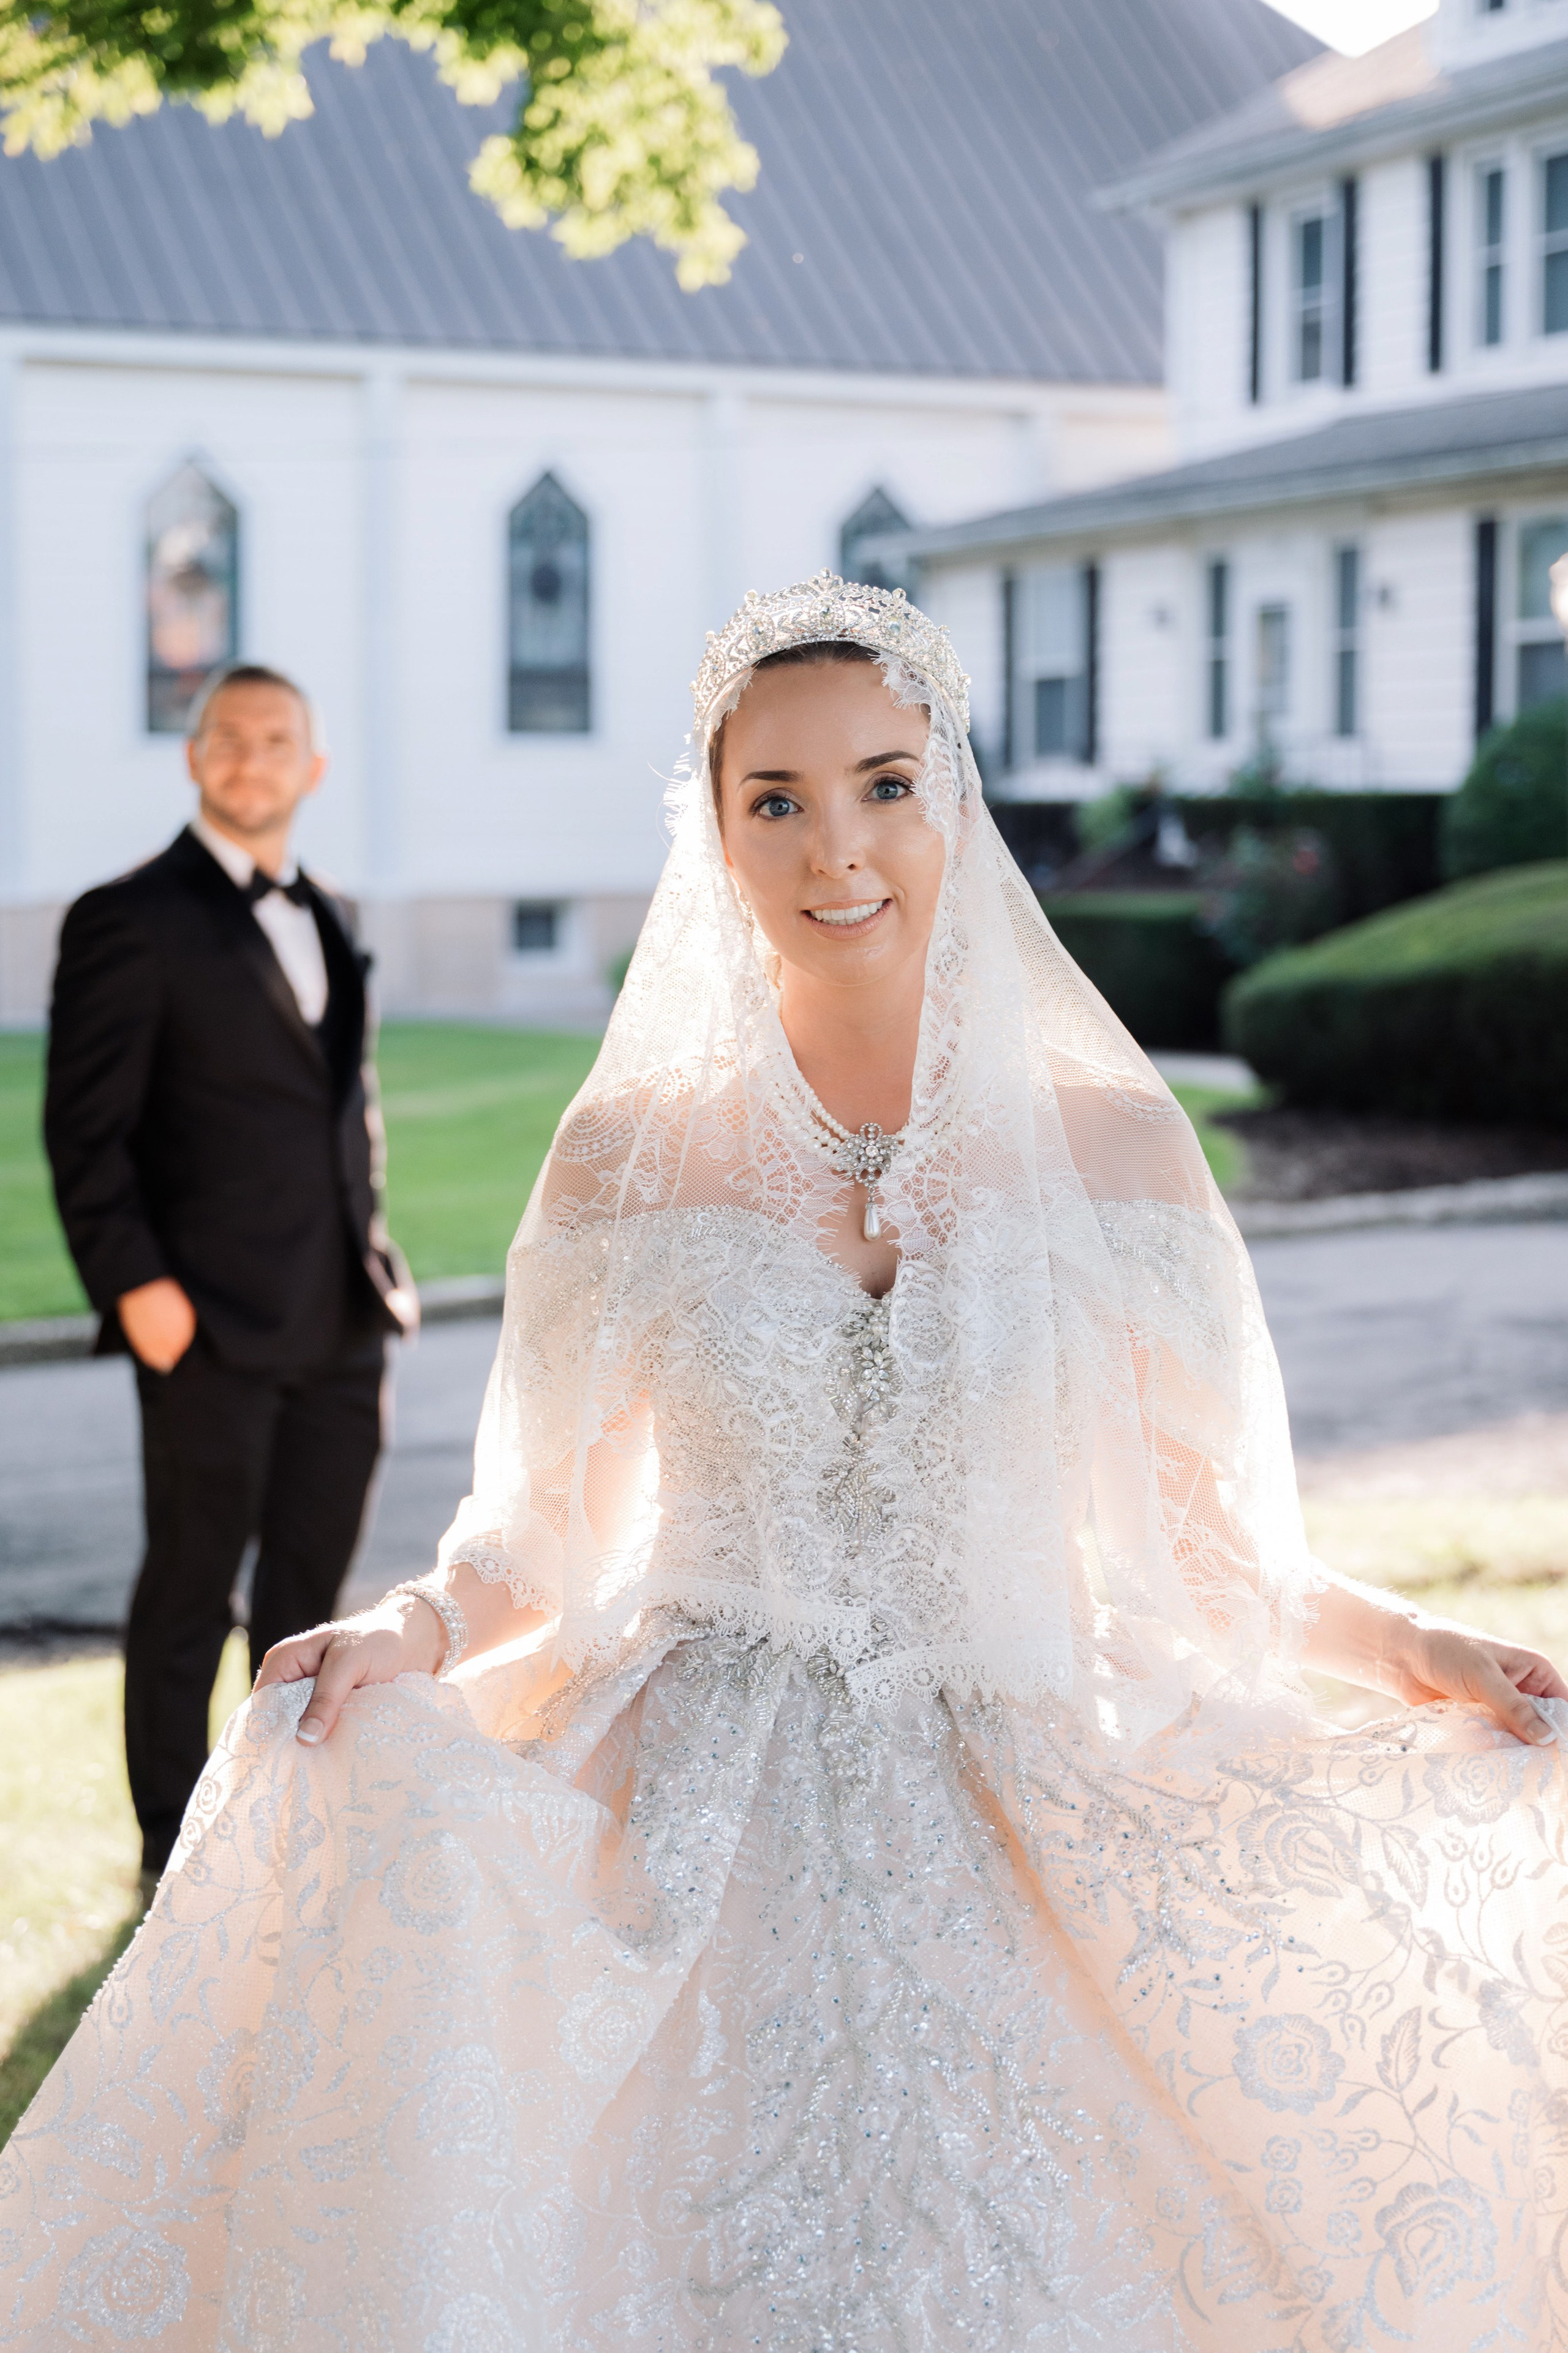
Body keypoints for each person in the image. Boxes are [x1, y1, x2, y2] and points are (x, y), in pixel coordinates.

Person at [4, 580, 1567, 2352]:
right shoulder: (629, 1159)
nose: (840, 845)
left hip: (1031, 1783)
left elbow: (1220, 1560)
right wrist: (414, 1634)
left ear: (955, 799)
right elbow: (537, 1544)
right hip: (691, 1815)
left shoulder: (1116, 1150)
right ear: (717, 829)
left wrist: (1426, 1654)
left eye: (887, 785)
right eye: (778, 799)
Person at [41, 663, 412, 1895]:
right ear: (197, 758)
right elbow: (83, 1131)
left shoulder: (339, 912)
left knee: (312, 1602)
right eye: (229, 739)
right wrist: (135, 1288)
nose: (253, 759)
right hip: (199, 1323)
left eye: (278, 741)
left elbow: (340, 1106)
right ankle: (172, 1857)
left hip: (342, 1315)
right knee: (190, 1593)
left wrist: (377, 1252)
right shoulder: (126, 917)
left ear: (310, 766)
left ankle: (286, 1841)